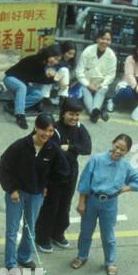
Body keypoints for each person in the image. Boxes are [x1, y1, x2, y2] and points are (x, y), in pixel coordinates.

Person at [0, 114, 70, 273]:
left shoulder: (52, 149)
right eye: (44, 129)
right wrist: (11, 189)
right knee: (12, 230)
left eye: (50, 131)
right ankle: (10, 263)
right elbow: (4, 167)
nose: (47, 134)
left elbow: (63, 171)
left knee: (30, 228)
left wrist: (46, 185)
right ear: (36, 127)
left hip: (36, 194)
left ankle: (24, 257)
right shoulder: (20, 146)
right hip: (17, 194)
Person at [71, 134, 138, 275]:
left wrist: (123, 189)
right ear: (112, 144)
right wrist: (81, 202)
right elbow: (84, 181)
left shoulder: (125, 167)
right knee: (85, 231)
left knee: (108, 235)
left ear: (127, 151)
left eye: (122, 150)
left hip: (110, 203)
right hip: (92, 200)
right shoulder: (96, 160)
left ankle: (110, 262)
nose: (118, 151)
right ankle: (82, 256)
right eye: (116, 147)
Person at [37, 99, 91, 251]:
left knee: (64, 205)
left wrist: (70, 147)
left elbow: (87, 148)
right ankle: (42, 237)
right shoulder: (55, 129)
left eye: (77, 114)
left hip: (71, 172)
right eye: (71, 114)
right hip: (54, 173)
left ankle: (58, 233)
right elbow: (53, 150)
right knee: (50, 206)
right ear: (63, 113)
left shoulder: (80, 128)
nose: (74, 118)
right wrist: (69, 150)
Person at [2, 44, 62, 130]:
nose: (56, 62)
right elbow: (36, 78)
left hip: (23, 82)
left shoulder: (43, 62)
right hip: (10, 79)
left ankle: (12, 106)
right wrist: (52, 79)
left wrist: (51, 77)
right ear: (49, 54)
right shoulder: (35, 60)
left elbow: (37, 78)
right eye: (55, 58)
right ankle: (20, 115)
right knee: (22, 87)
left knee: (38, 94)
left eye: (58, 60)